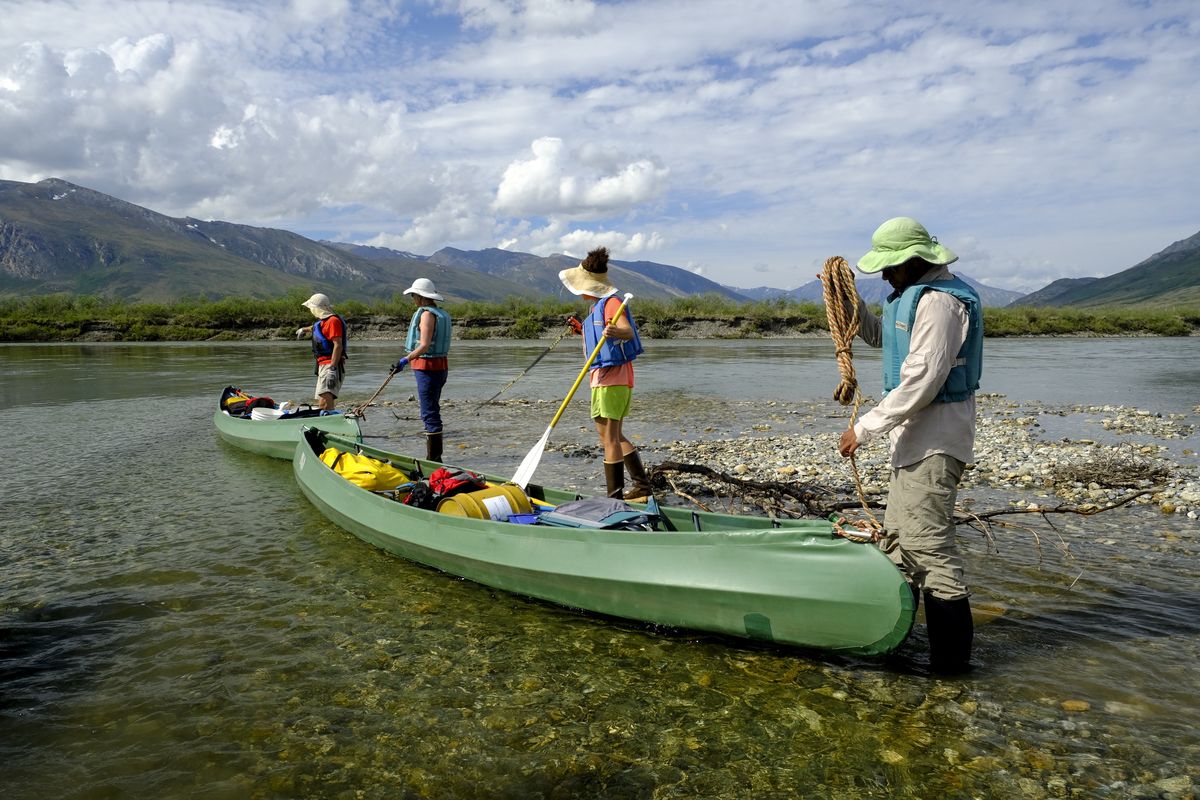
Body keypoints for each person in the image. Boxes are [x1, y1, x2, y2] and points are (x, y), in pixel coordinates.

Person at [837, 216, 983, 674]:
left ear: (916, 260)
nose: (884, 275)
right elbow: (886, 341)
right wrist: (851, 305)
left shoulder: (940, 304)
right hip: (915, 442)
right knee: (899, 547)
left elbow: (923, 379)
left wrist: (862, 429)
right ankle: (898, 649)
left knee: (931, 552)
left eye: (891, 267)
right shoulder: (914, 299)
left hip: (935, 443)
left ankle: (950, 671)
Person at [558, 247, 652, 501]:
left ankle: (615, 498)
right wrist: (581, 330)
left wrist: (614, 331)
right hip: (609, 378)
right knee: (611, 435)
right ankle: (641, 488)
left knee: (609, 437)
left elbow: (626, 331)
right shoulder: (598, 307)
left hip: (613, 378)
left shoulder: (610, 302)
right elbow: (604, 337)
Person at [391, 278, 451, 463]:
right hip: (439, 368)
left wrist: (404, 360)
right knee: (431, 409)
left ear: (420, 296)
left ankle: (434, 460)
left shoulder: (426, 315)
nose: (413, 299)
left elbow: (424, 345)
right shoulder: (439, 313)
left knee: (429, 412)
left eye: (413, 296)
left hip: (428, 369)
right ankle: (434, 458)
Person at [295, 293, 347, 412]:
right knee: (322, 402)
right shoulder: (322, 322)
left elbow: (338, 345)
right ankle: (328, 423)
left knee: (324, 404)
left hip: (331, 365)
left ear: (317, 308)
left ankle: (331, 426)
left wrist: (332, 370)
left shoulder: (333, 321)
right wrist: (304, 329)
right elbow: (315, 327)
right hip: (323, 365)